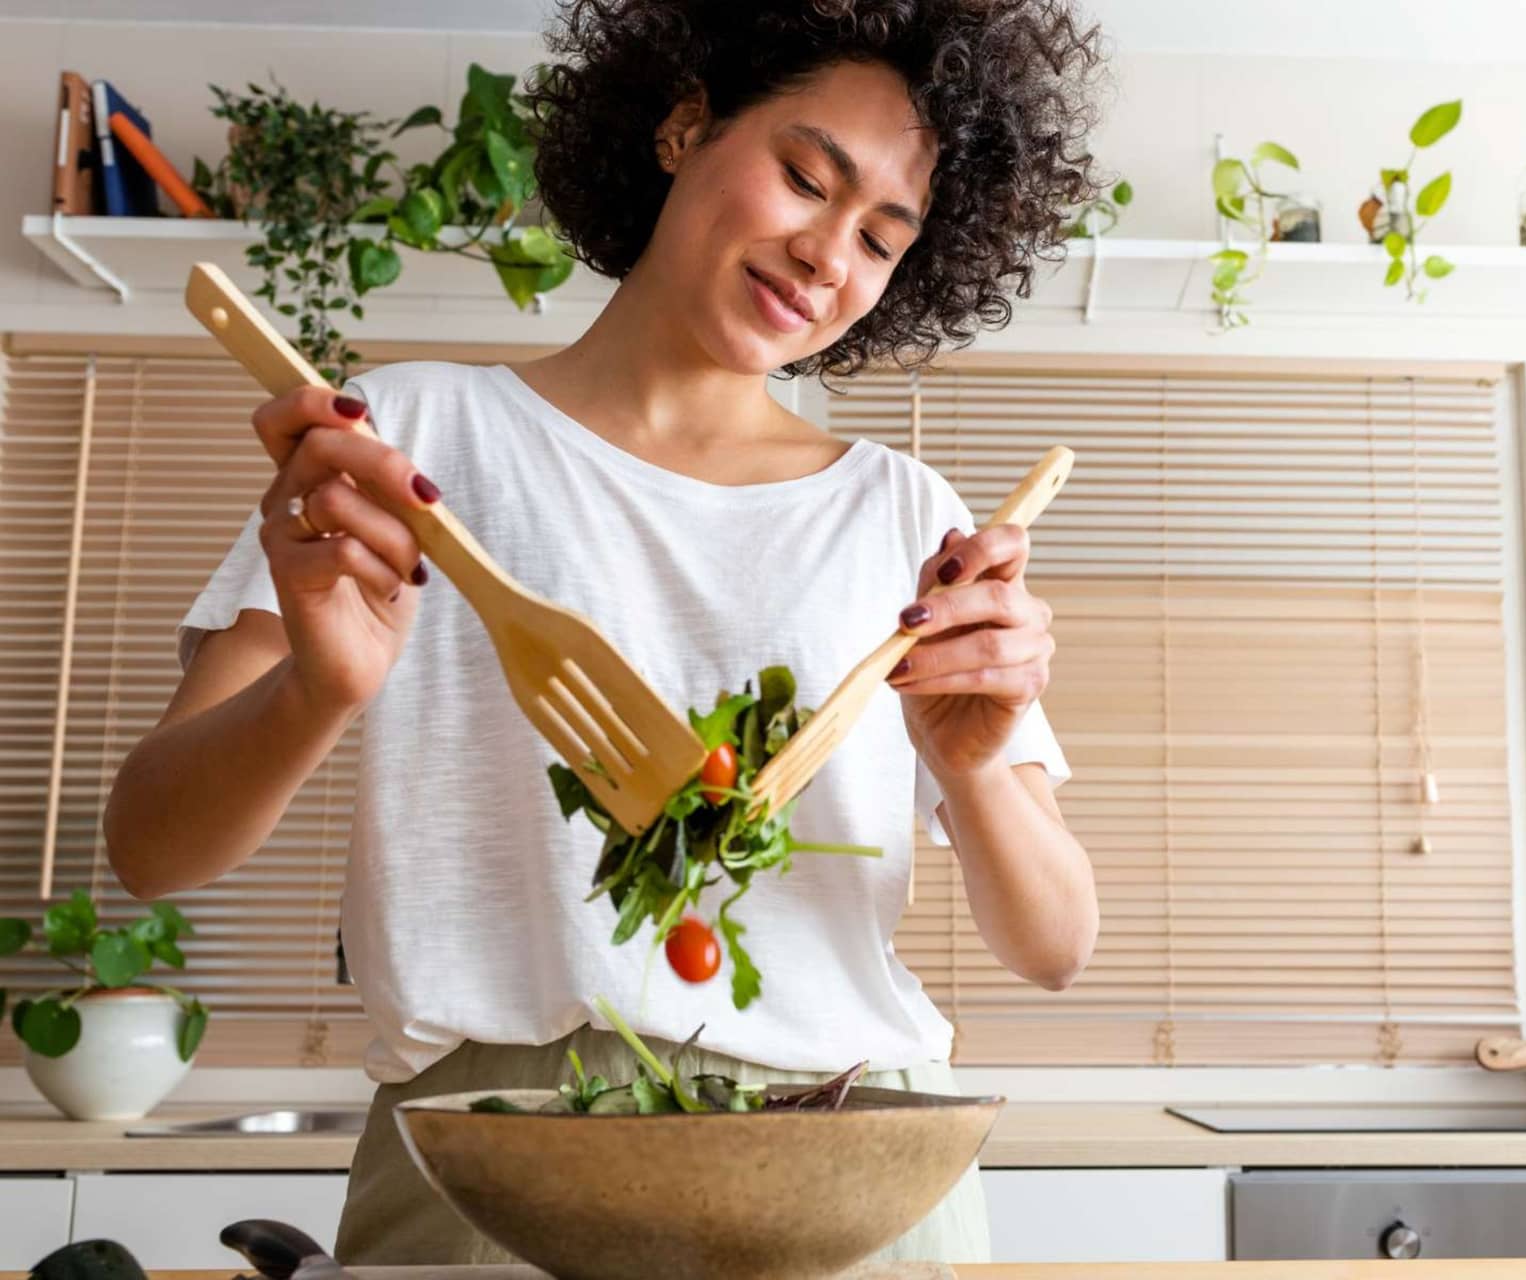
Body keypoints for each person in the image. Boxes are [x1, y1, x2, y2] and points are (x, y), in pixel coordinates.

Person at [102, 0, 1105, 1264]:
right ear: (684, 122)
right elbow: (149, 849)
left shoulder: (903, 513)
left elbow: (1055, 940)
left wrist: (970, 763)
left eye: (880, 239)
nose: (825, 256)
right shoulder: (404, 443)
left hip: (848, 1161)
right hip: (491, 1159)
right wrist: (318, 689)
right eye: (805, 177)